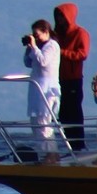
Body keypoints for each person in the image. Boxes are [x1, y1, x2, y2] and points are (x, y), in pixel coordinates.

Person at [53, 3, 90, 151]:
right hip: (58, 79)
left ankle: (79, 145)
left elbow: (83, 54)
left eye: (62, 16)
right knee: (62, 114)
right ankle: (71, 146)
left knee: (74, 112)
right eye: (58, 16)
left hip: (73, 79)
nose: (59, 19)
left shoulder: (80, 33)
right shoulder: (56, 35)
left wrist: (62, 52)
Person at [23, 19, 61, 163]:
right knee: (37, 121)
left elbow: (43, 61)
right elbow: (28, 62)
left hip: (47, 90)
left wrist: (34, 46)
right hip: (37, 89)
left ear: (46, 32)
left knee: (43, 121)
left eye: (37, 35)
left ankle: (51, 154)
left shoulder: (52, 46)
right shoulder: (39, 47)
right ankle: (50, 154)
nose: (36, 38)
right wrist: (29, 47)